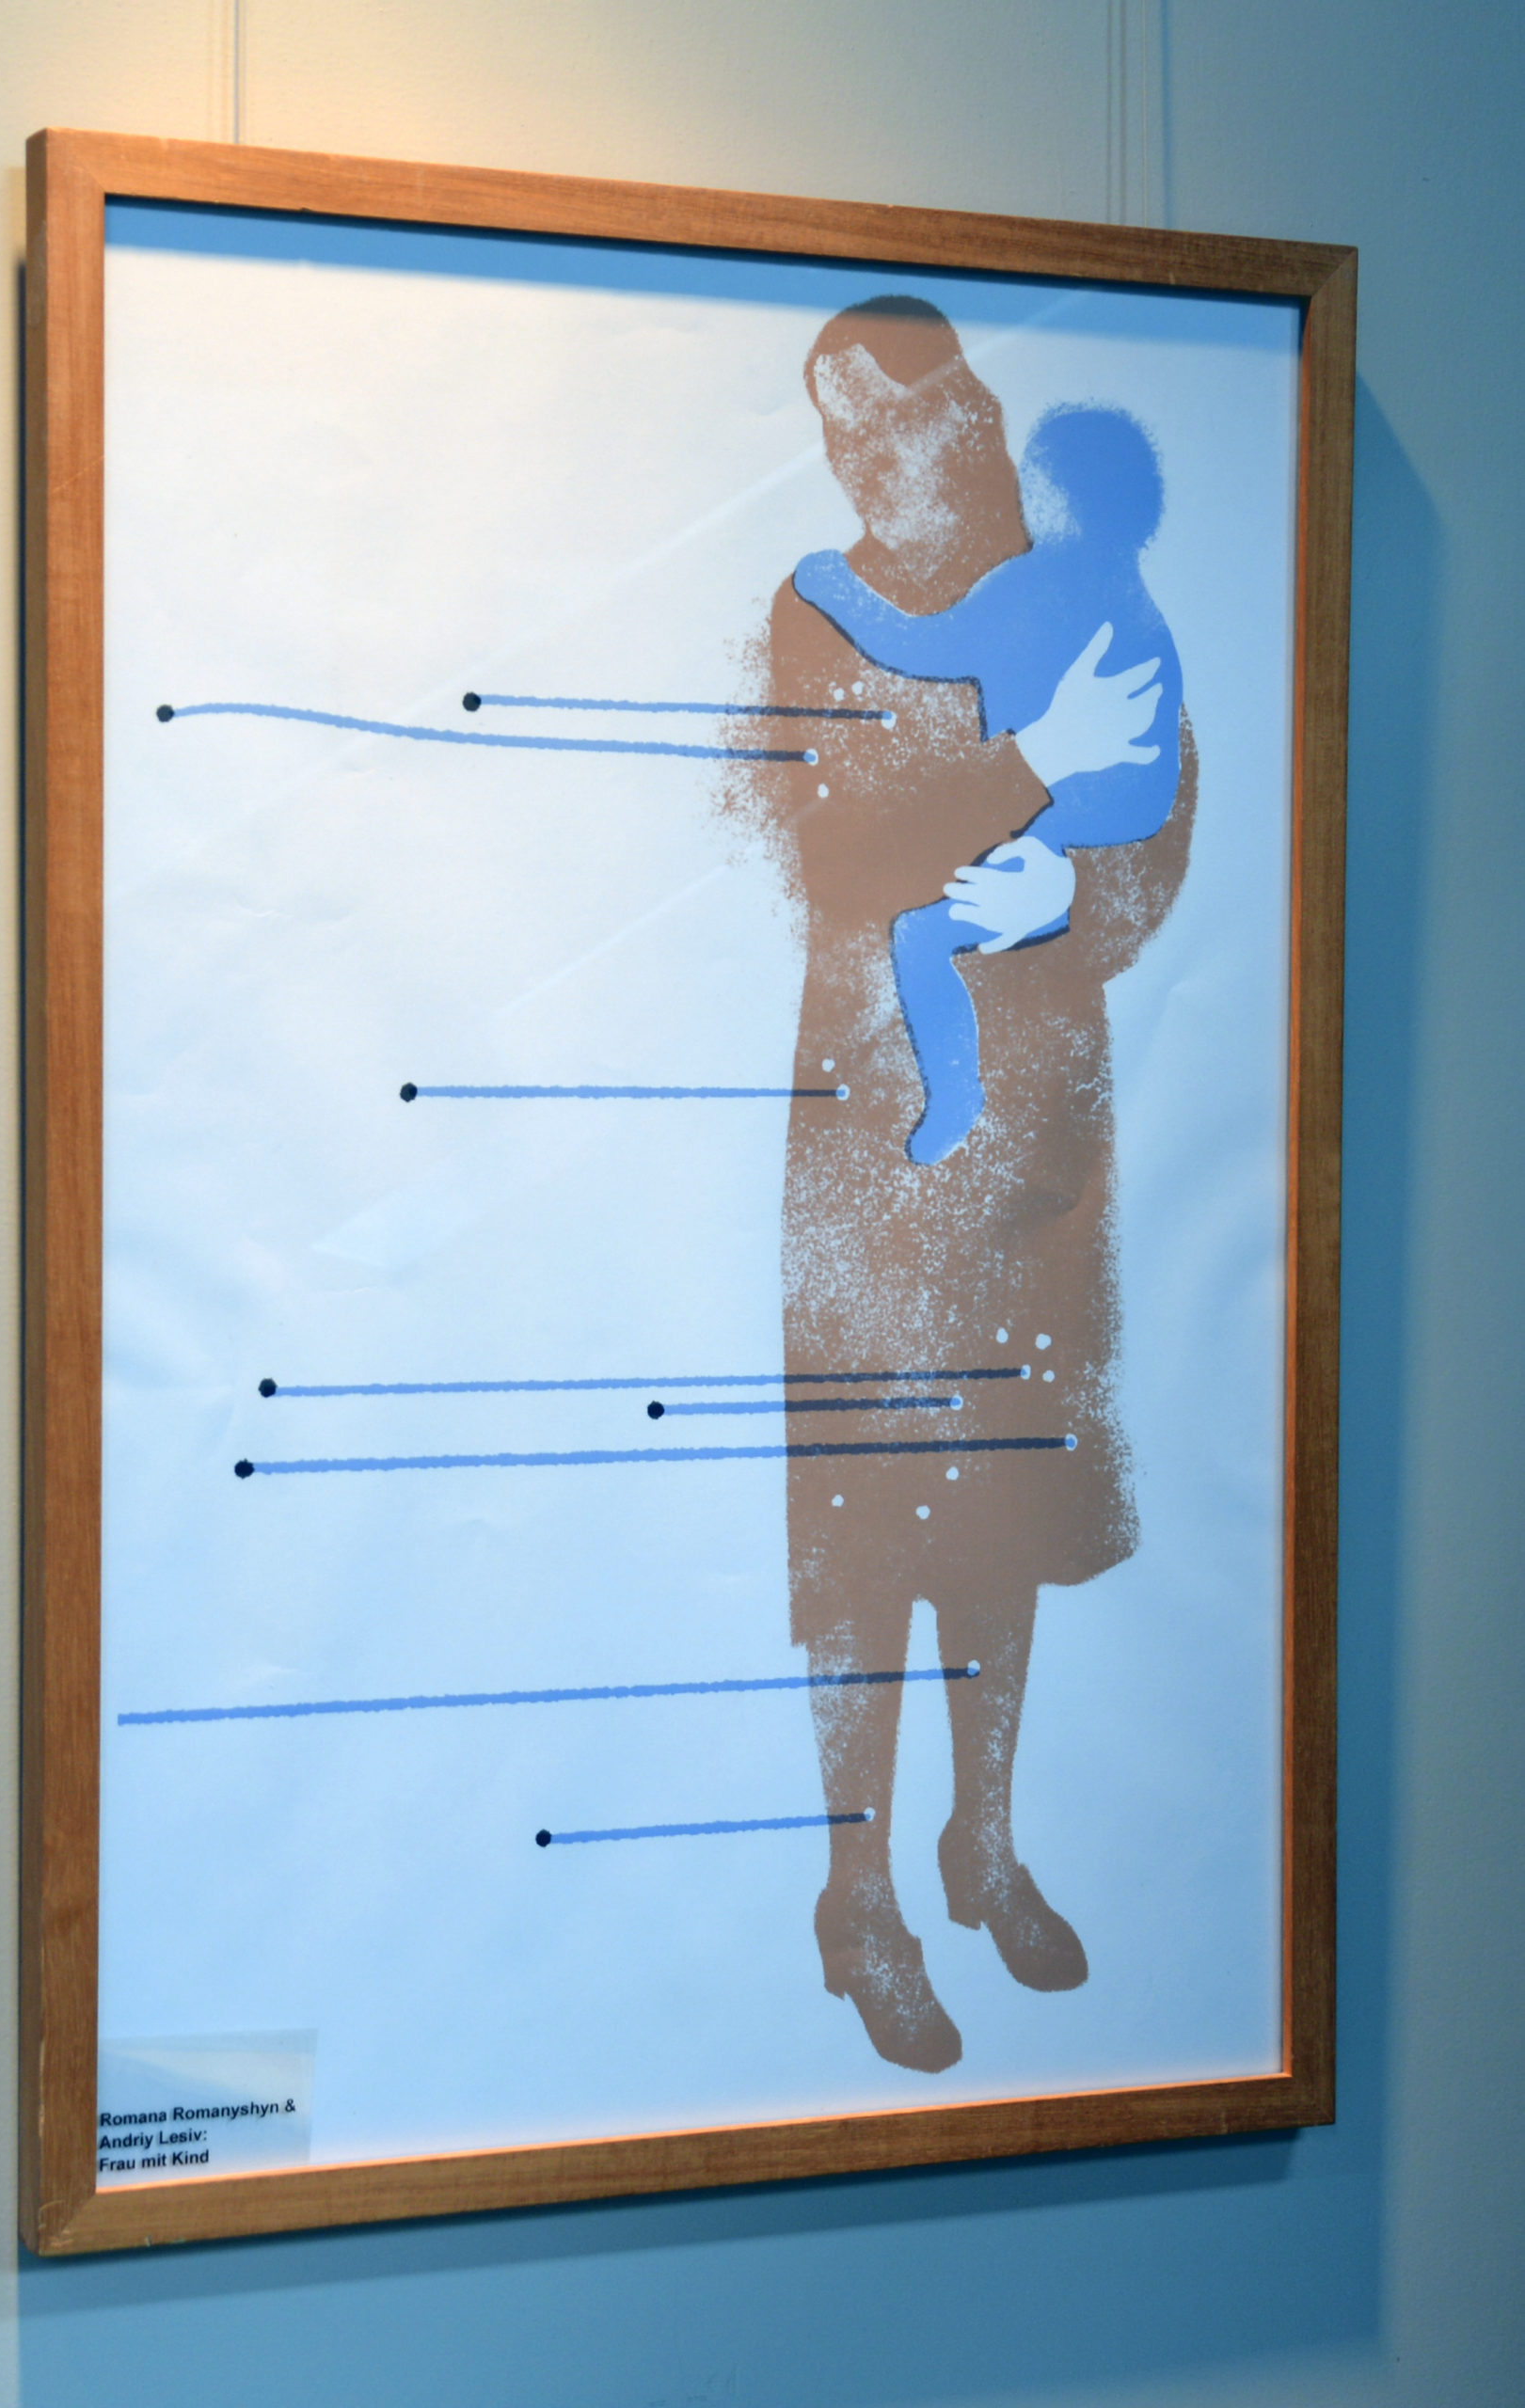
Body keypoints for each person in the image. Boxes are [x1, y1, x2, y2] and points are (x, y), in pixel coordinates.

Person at [739, 296, 1198, 2072]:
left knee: (1002, 1511)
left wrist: (1074, 898)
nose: (855, 455)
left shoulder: (1070, 575)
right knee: (863, 1532)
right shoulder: (813, 611)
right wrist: (1025, 767)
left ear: (957, 411)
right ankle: (854, 1898)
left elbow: (1160, 806)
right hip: (871, 1155)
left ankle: (979, 1847)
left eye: (879, 417)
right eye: (832, 427)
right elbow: (832, 847)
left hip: (1033, 1147)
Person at [792, 404, 1183, 1163]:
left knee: (920, 934)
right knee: (924, 928)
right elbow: (1152, 793)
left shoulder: (1039, 587)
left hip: (1060, 832)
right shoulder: (1141, 613)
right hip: (1062, 825)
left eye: (1035, 484)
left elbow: (918, 645)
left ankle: (955, 1092)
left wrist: (833, 585)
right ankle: (958, 1095)